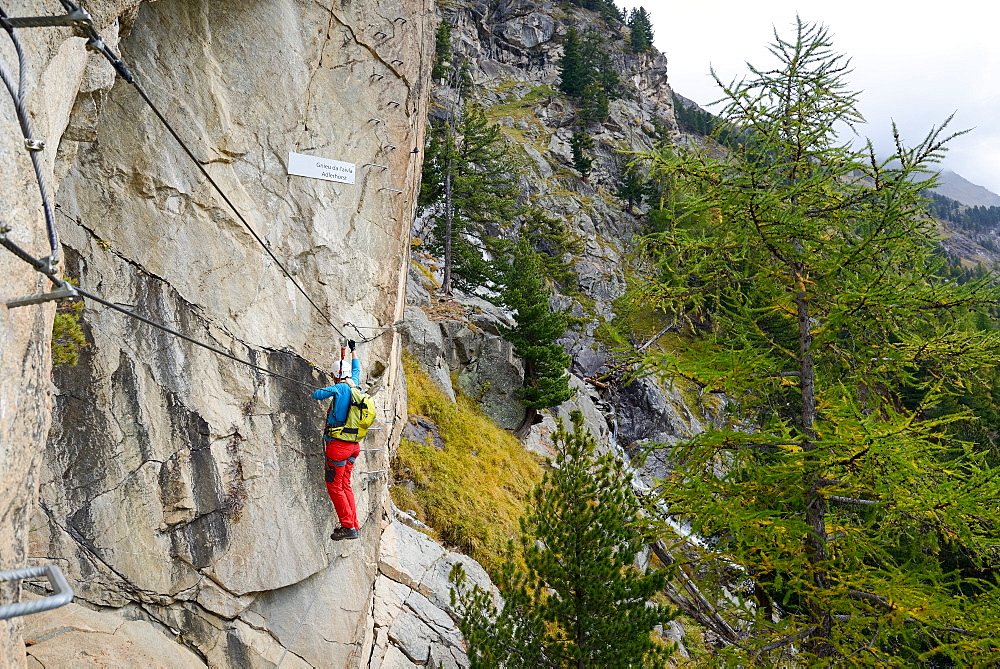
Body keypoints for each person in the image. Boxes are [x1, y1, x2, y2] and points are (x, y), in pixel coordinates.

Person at [312, 340, 362, 541]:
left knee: (334, 486)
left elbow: (316, 394)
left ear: (335, 375)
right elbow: (357, 368)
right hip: (353, 446)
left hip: (338, 446)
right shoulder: (355, 383)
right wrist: (353, 350)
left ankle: (348, 526)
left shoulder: (340, 389)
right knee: (345, 484)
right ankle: (354, 524)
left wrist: (333, 386)